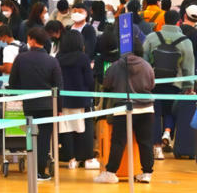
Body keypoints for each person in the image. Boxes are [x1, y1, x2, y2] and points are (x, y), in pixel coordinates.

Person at [95, 41, 156, 184]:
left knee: (118, 142)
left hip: (123, 108)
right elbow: (151, 85)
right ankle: (147, 173)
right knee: (145, 142)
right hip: (146, 108)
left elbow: (106, 83)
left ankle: (111, 173)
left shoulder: (116, 65)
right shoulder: (147, 66)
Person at [9, 28, 63, 180]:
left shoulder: (21, 58)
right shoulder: (52, 61)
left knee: (30, 136)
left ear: (32, 40)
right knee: (45, 138)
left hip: (29, 104)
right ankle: (40, 171)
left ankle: (32, 168)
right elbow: (59, 86)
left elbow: (13, 82)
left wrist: (19, 96)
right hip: (48, 105)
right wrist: (59, 107)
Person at [143, 10, 195, 159]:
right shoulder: (185, 41)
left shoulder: (152, 37)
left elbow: (144, 60)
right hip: (175, 84)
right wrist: (188, 85)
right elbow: (188, 66)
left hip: (154, 83)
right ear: (178, 21)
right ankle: (167, 132)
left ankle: (157, 148)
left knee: (155, 112)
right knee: (170, 111)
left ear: (164, 20)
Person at [56, 30, 97, 170]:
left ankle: (71, 159)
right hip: (82, 99)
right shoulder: (83, 58)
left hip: (64, 100)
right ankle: (87, 158)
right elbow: (89, 80)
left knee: (66, 129)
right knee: (84, 129)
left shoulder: (58, 58)